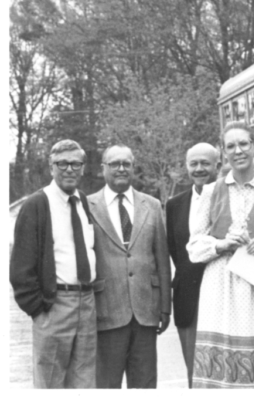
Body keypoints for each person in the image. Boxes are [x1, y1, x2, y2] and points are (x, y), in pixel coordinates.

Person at [187, 121, 254, 388]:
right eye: (231, 146)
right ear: (223, 152)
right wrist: (221, 244)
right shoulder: (211, 192)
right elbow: (194, 244)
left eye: (243, 144)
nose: (238, 151)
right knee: (224, 364)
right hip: (220, 285)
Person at [10, 139, 97, 388]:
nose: (69, 169)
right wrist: (39, 309)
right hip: (54, 304)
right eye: (62, 164)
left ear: (83, 168)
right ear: (51, 167)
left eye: (75, 164)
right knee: (50, 384)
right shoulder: (37, 204)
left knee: (85, 383)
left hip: (87, 303)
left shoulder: (82, 201)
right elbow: (20, 268)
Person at [88, 145, 171, 388]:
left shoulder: (152, 205)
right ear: (103, 168)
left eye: (126, 163)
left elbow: (162, 260)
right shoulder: (87, 205)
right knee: (106, 387)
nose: (121, 168)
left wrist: (165, 306)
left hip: (146, 312)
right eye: (114, 164)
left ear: (133, 168)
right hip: (105, 312)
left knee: (144, 386)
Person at [166, 143, 222, 388]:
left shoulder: (231, 197)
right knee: (196, 377)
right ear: (187, 167)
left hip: (224, 299)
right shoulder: (175, 205)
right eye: (193, 164)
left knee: (225, 373)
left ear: (218, 166)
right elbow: (176, 251)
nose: (199, 169)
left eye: (205, 163)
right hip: (189, 299)